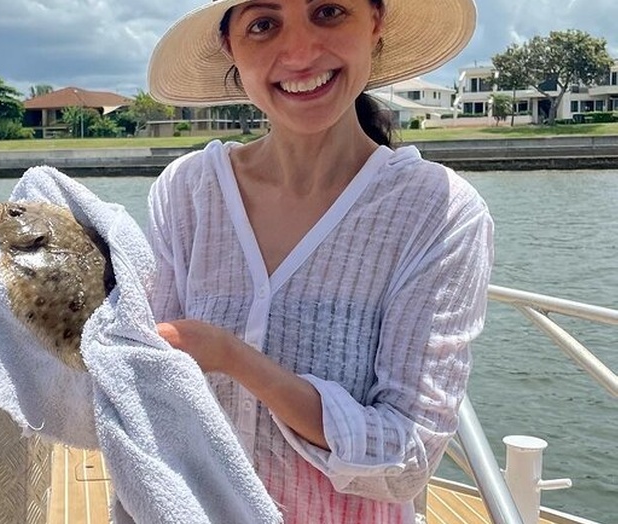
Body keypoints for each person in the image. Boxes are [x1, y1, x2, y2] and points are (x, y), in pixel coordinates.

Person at [145, 0, 493, 522]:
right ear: (231, 48)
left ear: (374, 23)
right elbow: (145, 392)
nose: (301, 52)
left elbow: (408, 462)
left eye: (329, 11)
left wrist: (236, 359)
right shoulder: (186, 191)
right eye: (264, 25)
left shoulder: (438, 211)